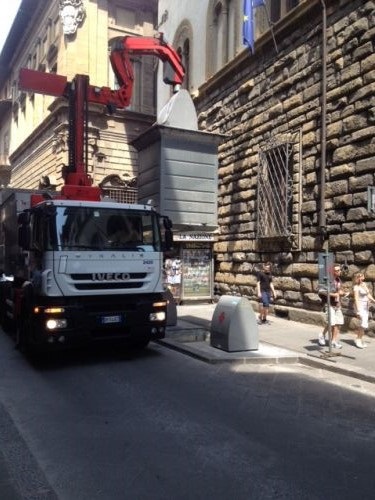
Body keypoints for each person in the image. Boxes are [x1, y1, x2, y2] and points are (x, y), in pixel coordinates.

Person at [319, 264, 346, 349]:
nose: (339, 272)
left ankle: (334, 341)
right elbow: (321, 291)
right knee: (331, 322)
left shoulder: (338, 280)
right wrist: (333, 294)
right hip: (329, 304)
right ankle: (322, 335)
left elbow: (339, 291)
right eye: (337, 270)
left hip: (337, 305)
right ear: (332, 272)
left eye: (339, 270)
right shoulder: (327, 280)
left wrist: (342, 293)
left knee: (338, 323)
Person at [352, 272, 375, 349]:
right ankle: (358, 340)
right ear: (357, 278)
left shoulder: (364, 285)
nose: (363, 278)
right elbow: (356, 299)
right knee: (364, 324)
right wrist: (358, 310)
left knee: (364, 324)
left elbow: (368, 295)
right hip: (360, 307)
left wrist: (374, 300)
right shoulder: (356, 287)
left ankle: (359, 339)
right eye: (361, 277)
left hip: (365, 307)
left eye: (363, 277)